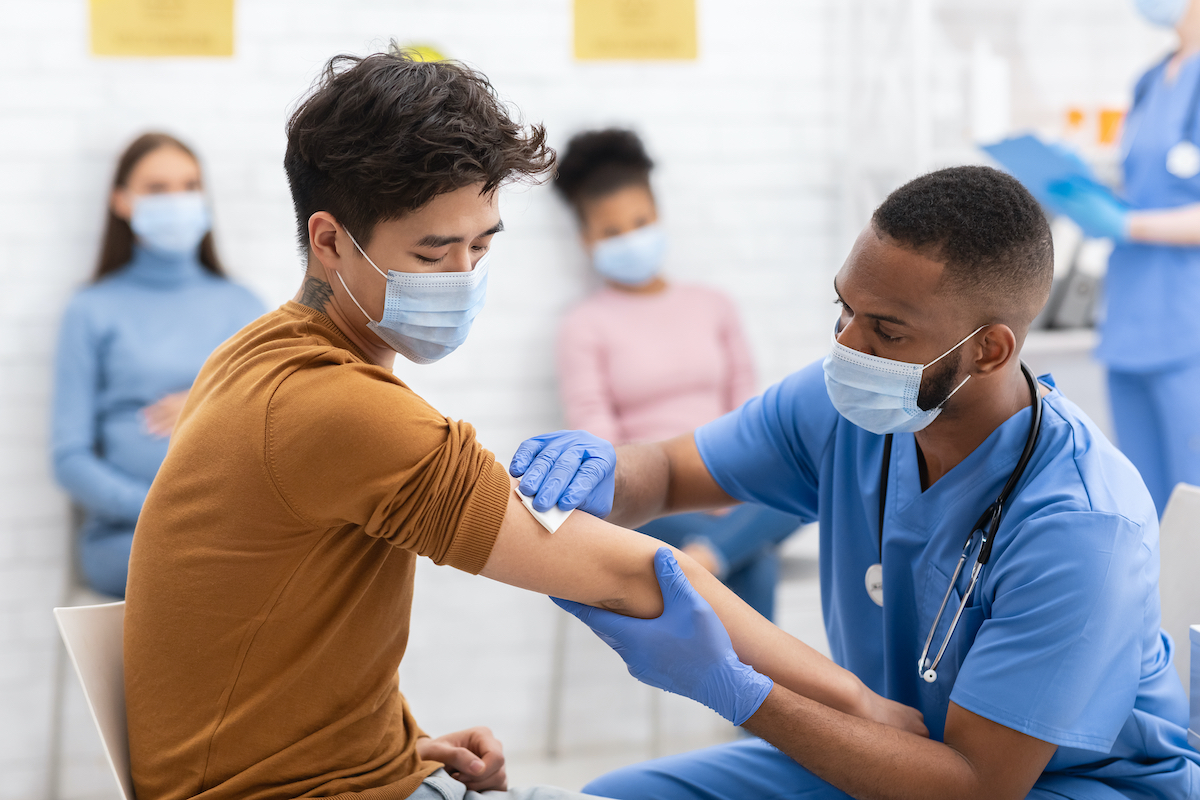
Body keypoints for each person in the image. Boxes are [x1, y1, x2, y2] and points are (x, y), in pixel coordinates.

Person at [121, 50, 925, 800]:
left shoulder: (256, 354)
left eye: (481, 246)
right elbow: (639, 575)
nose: (465, 279)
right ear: (331, 240)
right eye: (434, 255)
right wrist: (860, 704)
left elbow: (267, 623)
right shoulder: (335, 408)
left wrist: (399, 743)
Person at [514, 166, 1200, 799]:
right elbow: (666, 473)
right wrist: (606, 474)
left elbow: (974, 786)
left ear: (989, 350)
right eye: (844, 308)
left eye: (886, 331)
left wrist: (736, 691)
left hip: (1059, 785)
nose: (846, 344)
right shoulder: (840, 406)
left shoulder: (1080, 524)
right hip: (896, 752)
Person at [551, 128, 802, 620]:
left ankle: (704, 562)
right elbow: (598, 438)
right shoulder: (582, 326)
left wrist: (727, 485)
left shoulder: (714, 305)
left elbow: (747, 411)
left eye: (640, 222)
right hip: (648, 502)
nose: (630, 238)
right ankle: (768, 687)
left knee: (807, 478)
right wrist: (676, 491)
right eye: (611, 231)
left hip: (730, 478)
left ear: (659, 217)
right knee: (756, 562)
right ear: (587, 240)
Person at [50, 132, 263, 598]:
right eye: (157, 188)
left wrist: (206, 400)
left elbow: (279, 425)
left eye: (189, 186)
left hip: (232, 527)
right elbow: (70, 458)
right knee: (208, 575)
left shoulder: (245, 307)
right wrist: (158, 508)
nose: (178, 201)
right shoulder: (92, 309)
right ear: (121, 202)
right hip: (127, 536)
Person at [1045, 0, 1200, 516]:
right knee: (1143, 503)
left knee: (1193, 499)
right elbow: (1141, 186)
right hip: (1133, 319)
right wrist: (1078, 187)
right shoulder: (1151, 80)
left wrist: (1128, 224)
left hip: (1187, 323)